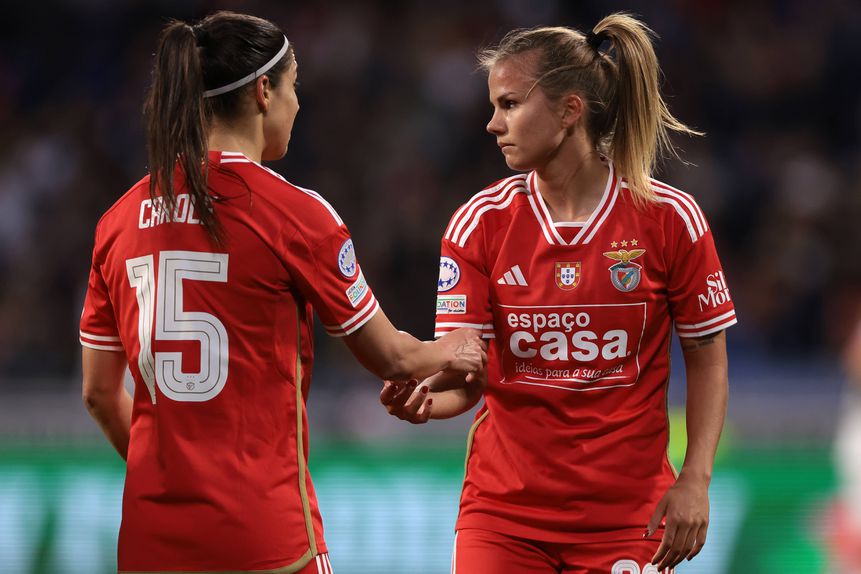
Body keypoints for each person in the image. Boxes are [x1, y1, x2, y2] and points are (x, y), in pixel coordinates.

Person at [78, 11, 485, 574]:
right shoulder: (293, 214)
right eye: (295, 87)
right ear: (264, 91)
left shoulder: (116, 222)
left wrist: (166, 476)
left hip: (152, 543)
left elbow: (99, 394)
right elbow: (392, 357)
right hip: (265, 538)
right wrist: (459, 346)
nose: (299, 104)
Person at [381, 13, 735, 574]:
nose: (493, 124)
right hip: (503, 518)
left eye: (510, 104)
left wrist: (696, 478)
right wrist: (428, 405)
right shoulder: (479, 223)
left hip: (627, 516)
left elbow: (708, 360)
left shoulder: (670, 220)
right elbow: (469, 375)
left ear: (571, 110)